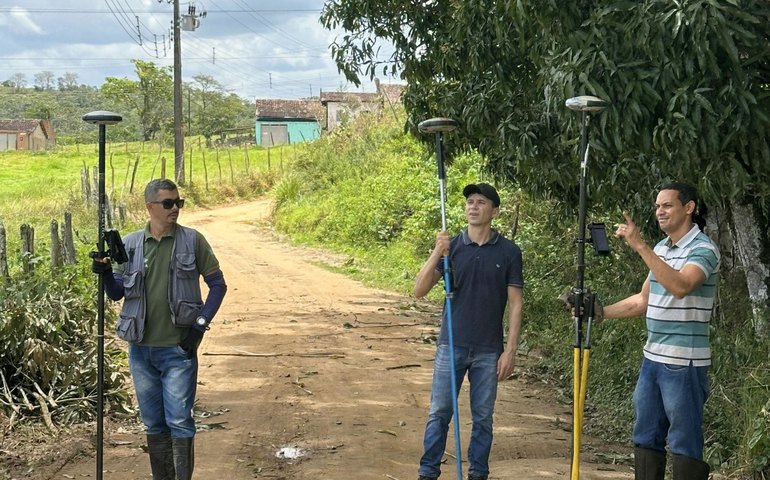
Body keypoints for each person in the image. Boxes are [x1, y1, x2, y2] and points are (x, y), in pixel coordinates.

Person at [92, 178, 227, 480]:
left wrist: (200, 327)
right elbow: (117, 293)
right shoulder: (129, 245)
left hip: (178, 349)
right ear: (150, 207)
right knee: (154, 423)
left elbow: (218, 285)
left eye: (178, 202)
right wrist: (103, 273)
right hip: (140, 351)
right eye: (168, 203)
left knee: (180, 421)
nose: (175, 208)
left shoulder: (193, 240)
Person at [601, 182, 719, 480]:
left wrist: (639, 245)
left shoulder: (703, 248)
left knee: (683, 441)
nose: (660, 211)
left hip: (684, 363)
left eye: (667, 205)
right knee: (646, 435)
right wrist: (599, 312)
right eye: (657, 206)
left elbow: (681, 286)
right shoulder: (661, 248)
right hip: (652, 359)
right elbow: (643, 300)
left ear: (688, 207)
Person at [414, 182, 524, 480]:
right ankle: (428, 472)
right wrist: (438, 251)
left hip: (489, 349)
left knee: (483, 418)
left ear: (495, 211)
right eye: (470, 202)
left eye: (481, 202)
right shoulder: (453, 248)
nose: (473, 207)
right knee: (439, 413)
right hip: (452, 344)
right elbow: (419, 289)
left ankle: (478, 473)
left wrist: (510, 350)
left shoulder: (509, 251)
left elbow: (515, 304)